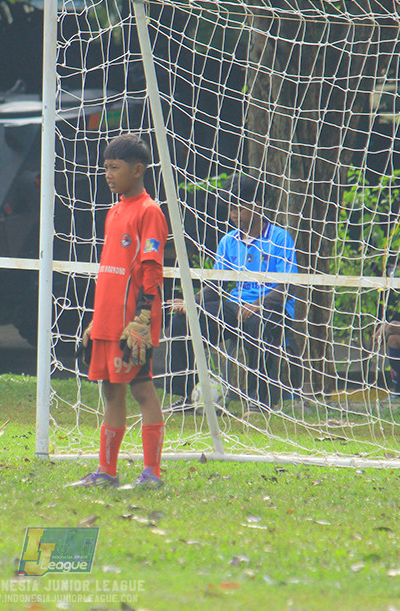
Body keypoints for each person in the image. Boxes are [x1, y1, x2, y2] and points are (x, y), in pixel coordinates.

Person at [68, 133, 168, 490]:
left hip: (132, 323)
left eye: (115, 167)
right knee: (110, 392)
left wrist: (142, 319)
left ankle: (152, 473)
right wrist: (96, 320)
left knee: (142, 390)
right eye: (105, 168)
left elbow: (151, 270)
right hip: (108, 321)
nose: (107, 174)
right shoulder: (114, 210)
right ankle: (106, 472)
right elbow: (113, 270)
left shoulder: (149, 211)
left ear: (137, 170)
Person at [165, 173, 299, 411]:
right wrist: (192, 302)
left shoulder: (280, 238)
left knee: (259, 323)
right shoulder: (228, 241)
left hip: (270, 308)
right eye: (231, 209)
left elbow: (288, 284)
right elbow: (216, 286)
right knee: (183, 321)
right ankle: (186, 396)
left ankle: (260, 399)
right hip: (235, 307)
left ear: (257, 206)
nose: (233, 215)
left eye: (239, 209)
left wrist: (260, 303)